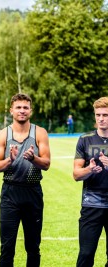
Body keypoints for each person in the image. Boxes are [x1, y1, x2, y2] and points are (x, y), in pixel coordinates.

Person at [0, 93, 51, 267]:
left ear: (30, 111)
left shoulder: (39, 132)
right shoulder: (3, 135)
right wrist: (10, 160)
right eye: (18, 107)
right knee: (7, 246)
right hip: (10, 193)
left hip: (32, 192)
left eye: (25, 107)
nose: (22, 111)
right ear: (11, 111)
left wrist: (33, 159)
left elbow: (46, 164)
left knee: (33, 246)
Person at [73, 97, 108, 267]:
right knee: (86, 254)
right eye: (98, 115)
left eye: (105, 115)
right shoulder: (84, 139)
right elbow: (76, 174)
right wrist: (89, 169)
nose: (101, 119)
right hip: (92, 204)